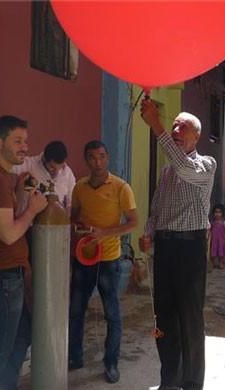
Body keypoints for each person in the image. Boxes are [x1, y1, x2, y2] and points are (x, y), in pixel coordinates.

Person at [139, 99, 217, 390]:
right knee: (165, 315)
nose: (175, 129)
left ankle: (193, 381)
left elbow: (185, 168)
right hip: (166, 248)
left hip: (190, 248)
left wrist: (156, 125)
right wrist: (148, 232)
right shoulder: (166, 172)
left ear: (196, 136)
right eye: (173, 125)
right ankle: (169, 378)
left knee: (191, 317)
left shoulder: (205, 165)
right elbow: (157, 207)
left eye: (182, 126)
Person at [0, 115, 47, 390]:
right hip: (0, 279)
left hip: (1, 276)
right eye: (17, 141)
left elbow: (7, 214)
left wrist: (21, 192)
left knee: (21, 334)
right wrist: (32, 211)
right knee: (0, 351)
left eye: (25, 141)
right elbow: (9, 234)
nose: (24, 147)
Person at [67, 140, 138, 383]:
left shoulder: (121, 187)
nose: (97, 162)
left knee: (112, 314)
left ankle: (111, 363)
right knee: (75, 310)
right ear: (86, 160)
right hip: (83, 257)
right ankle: (75, 357)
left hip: (109, 259)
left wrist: (104, 233)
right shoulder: (79, 187)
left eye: (101, 156)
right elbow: (73, 216)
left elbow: (133, 222)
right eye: (91, 157)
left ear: (107, 158)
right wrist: (80, 227)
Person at [0, 129, 76, 213]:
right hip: (31, 226)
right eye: (52, 168)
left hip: (58, 227)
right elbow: (0, 161)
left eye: (60, 167)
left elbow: (71, 203)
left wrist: (65, 224)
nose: (57, 172)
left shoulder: (68, 173)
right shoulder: (28, 165)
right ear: (44, 158)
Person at [208, 204, 225, 269]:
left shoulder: (224, 223)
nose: (217, 214)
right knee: (213, 251)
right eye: (216, 212)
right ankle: (213, 263)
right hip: (214, 240)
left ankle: (220, 262)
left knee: (221, 252)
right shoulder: (212, 222)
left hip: (221, 240)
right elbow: (209, 230)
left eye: (219, 212)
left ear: (222, 213)